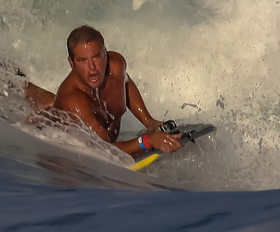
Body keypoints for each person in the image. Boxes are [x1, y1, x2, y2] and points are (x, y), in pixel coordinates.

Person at [26, 25, 182, 157]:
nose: (92, 68)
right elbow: (104, 150)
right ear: (72, 63)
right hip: (45, 131)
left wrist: (149, 121)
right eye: (82, 60)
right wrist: (146, 141)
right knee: (32, 96)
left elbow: (125, 82)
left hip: (69, 109)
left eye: (96, 57)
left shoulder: (116, 66)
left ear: (105, 54)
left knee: (48, 100)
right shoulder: (72, 100)